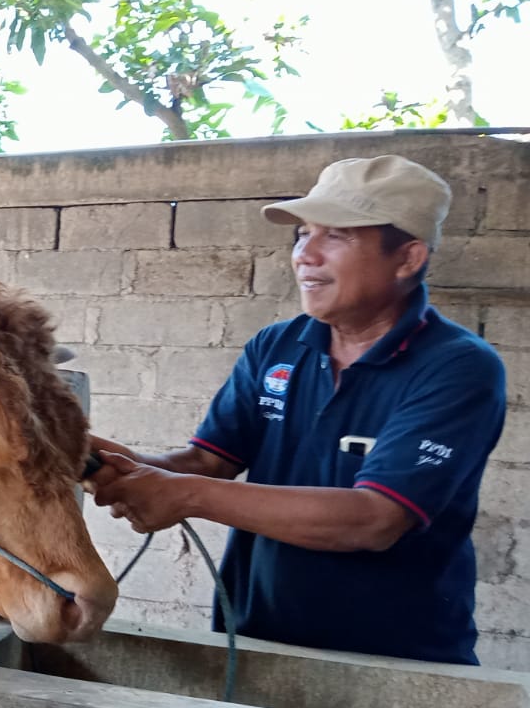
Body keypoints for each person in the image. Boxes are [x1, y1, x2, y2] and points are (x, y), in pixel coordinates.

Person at [89, 155, 506, 666]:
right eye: (303, 234)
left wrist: (186, 495)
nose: (304, 255)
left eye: (336, 236)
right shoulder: (277, 347)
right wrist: (108, 460)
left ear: (407, 257)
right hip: (255, 645)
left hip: (395, 665)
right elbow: (206, 462)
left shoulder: (457, 368)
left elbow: (374, 520)